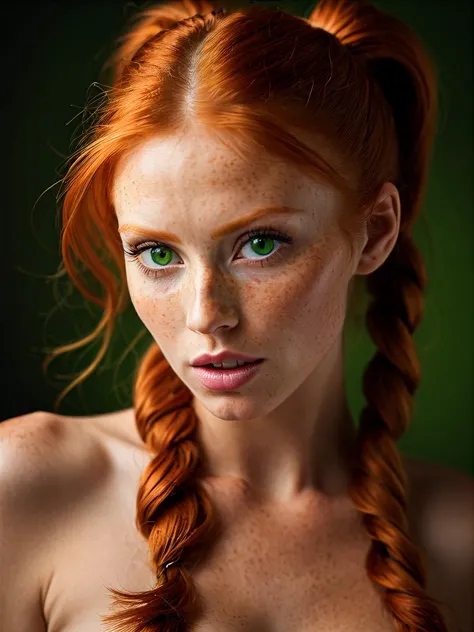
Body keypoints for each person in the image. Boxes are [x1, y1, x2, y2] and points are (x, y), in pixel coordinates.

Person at [0, 0, 473, 631]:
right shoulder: (25, 489)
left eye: (260, 244)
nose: (205, 315)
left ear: (376, 232)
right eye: (157, 253)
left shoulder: (460, 544)